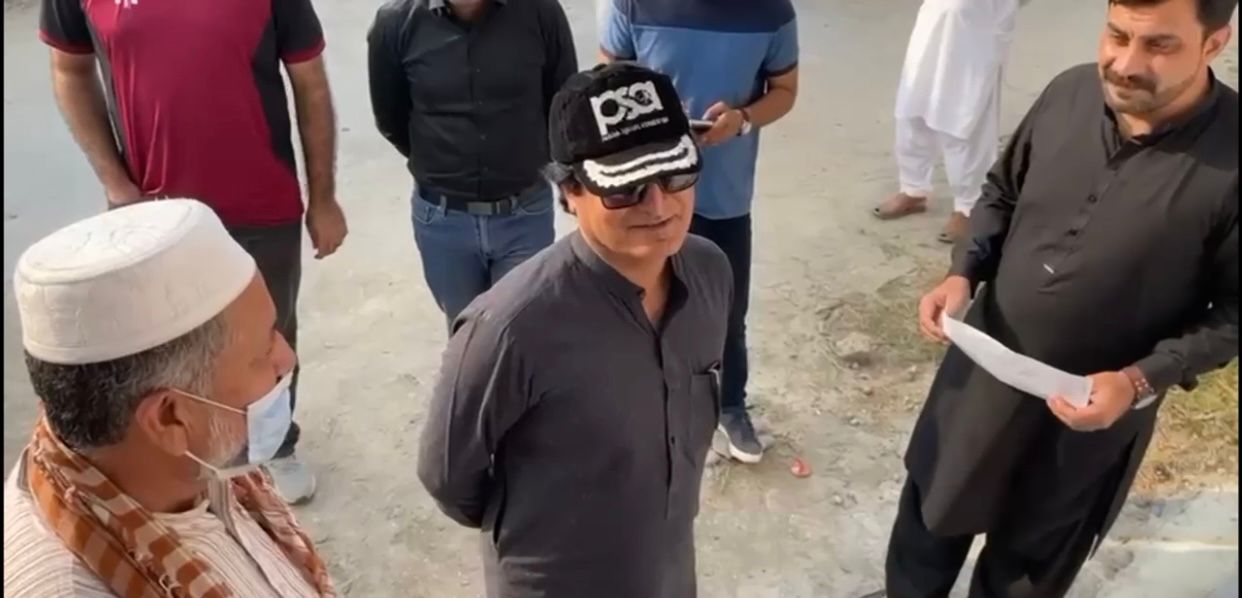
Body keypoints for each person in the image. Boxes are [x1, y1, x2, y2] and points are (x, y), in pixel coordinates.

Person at [879, 0, 1238, 595]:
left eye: (1159, 45)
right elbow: (1001, 191)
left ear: (1214, 44)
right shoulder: (1069, 93)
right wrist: (963, 272)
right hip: (984, 371)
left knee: (1027, 569)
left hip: (1094, 415)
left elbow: (1234, 314)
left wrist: (1140, 380)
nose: (1126, 63)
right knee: (925, 532)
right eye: (1117, 35)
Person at [417, 63, 732, 598]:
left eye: (675, 174)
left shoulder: (710, 274)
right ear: (568, 192)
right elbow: (448, 477)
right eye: (625, 188)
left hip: (669, 569)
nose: (659, 205)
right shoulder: (510, 329)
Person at [37, 0, 347, 504]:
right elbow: (69, 69)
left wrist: (324, 199)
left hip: (260, 205)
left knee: (265, 343)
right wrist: (116, 183)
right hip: (150, 216)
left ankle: (272, 448)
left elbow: (308, 80)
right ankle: (188, 463)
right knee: (163, 358)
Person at [3, 200, 336, 597]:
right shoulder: (70, 585)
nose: (286, 358)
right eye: (263, 352)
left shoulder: (199, 462)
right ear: (170, 419)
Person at [599, 0, 799, 464]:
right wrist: (656, 120)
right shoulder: (633, 4)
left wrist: (742, 119)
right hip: (649, 195)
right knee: (637, 309)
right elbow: (608, 80)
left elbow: (785, 90)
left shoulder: (771, 11)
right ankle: (646, 412)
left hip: (725, 195)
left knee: (727, 311)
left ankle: (730, 407)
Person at [367, 0, 578, 326]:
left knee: (525, 331)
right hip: (443, 222)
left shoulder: (540, 12)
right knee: (467, 335)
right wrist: (444, 163)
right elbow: (391, 118)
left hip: (525, 216)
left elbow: (564, 105)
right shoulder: (395, 22)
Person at [873, 0, 1019, 244]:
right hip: (936, 18)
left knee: (965, 116)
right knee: (914, 106)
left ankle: (969, 207)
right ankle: (913, 188)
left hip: (977, 27)